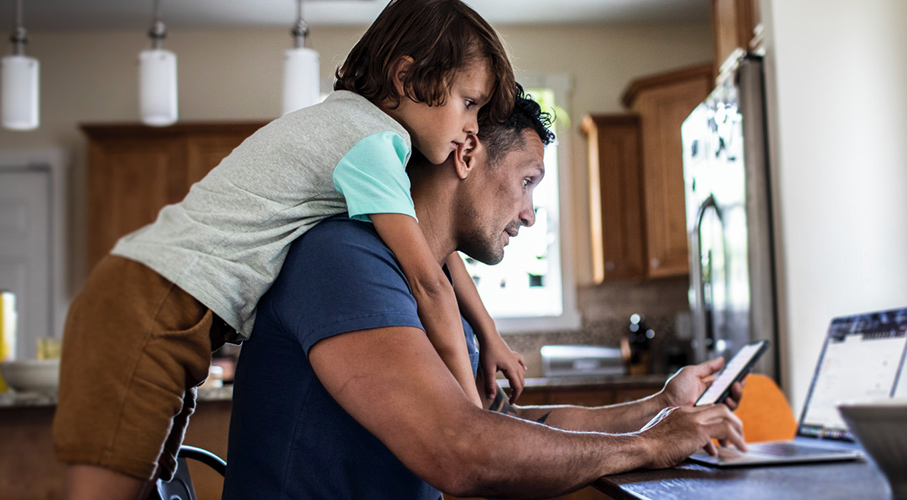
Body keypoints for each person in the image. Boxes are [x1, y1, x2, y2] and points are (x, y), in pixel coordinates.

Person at [54, 1, 525, 498]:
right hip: (148, 304)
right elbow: (427, 282)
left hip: (159, 305)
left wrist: (488, 334)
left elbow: (434, 253)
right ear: (407, 78)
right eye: (468, 103)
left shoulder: (359, 131)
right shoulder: (371, 141)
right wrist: (472, 423)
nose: (472, 126)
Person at [222, 90, 748, 499]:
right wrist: (650, 446)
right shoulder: (343, 259)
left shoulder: (438, 284)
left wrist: (661, 408)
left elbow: (501, 426)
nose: (529, 213)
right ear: (467, 153)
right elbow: (460, 449)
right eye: (527, 181)